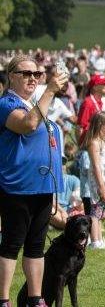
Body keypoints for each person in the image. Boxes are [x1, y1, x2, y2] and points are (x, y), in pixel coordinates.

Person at [0, 55, 68, 307]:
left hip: (41, 186)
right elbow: (27, 125)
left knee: (36, 245)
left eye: (37, 74)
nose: (33, 78)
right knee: (11, 244)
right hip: (16, 186)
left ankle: (35, 298)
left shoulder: (32, 104)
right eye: (26, 73)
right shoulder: (6, 104)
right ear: (11, 76)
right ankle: (3, 300)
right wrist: (49, 90)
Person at [77, 112, 105, 250]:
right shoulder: (93, 142)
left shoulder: (102, 141)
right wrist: (101, 185)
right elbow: (96, 166)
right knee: (94, 213)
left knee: (99, 212)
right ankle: (95, 241)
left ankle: (99, 239)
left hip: (104, 181)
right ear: (100, 125)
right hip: (97, 183)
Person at [51, 153, 83, 231]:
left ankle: (61, 225)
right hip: (57, 210)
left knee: (102, 213)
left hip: (71, 210)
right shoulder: (48, 180)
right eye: (58, 162)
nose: (61, 165)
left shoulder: (73, 179)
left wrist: (78, 206)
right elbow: (50, 200)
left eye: (63, 163)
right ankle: (71, 226)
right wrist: (62, 211)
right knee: (48, 210)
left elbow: (79, 198)